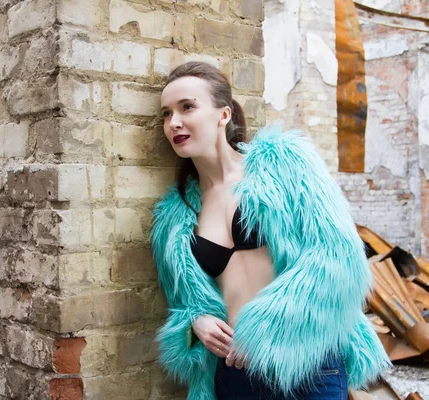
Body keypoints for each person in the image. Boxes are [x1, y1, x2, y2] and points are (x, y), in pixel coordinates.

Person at [150, 61, 390, 400]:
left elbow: (338, 258)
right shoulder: (173, 219)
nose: (174, 122)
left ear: (224, 114)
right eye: (166, 113)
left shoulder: (285, 166)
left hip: (308, 363)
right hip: (235, 373)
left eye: (187, 107)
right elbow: (183, 303)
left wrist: (262, 332)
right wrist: (197, 323)